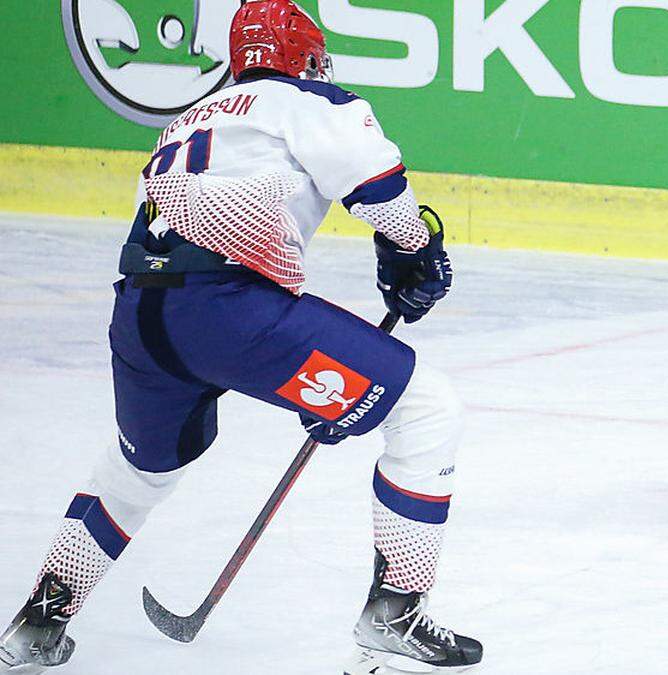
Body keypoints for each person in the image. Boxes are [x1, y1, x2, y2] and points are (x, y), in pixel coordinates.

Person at [0, 1, 481, 672]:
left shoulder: (190, 117)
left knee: (137, 470)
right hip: (229, 315)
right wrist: (417, 248)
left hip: (140, 315)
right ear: (309, 57)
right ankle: (396, 611)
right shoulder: (310, 100)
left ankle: (38, 620)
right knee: (425, 408)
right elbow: (381, 196)